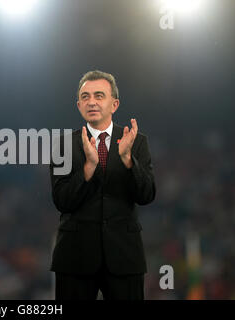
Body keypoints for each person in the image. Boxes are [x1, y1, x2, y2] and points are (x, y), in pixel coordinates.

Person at [49, 70, 156, 300]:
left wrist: (128, 160)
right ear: (78, 105)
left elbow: (147, 195)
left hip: (125, 256)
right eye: (85, 97)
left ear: (114, 104)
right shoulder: (62, 145)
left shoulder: (137, 141)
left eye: (99, 95)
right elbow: (61, 200)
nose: (92, 102)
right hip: (74, 257)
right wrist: (88, 168)